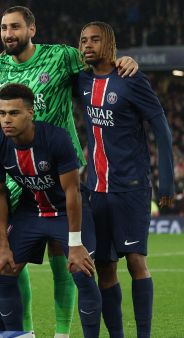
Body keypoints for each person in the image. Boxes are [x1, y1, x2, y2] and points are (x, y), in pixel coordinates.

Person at [0, 6, 138, 336]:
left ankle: (62, 332)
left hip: (59, 166)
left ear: (32, 30)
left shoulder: (61, 56)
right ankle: (23, 331)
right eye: (3, 28)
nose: (8, 34)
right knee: (9, 256)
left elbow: (98, 62)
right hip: (18, 174)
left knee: (63, 257)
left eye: (14, 27)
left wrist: (124, 61)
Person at [78, 21, 175, 338]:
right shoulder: (80, 80)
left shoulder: (132, 80)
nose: (87, 45)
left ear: (110, 44)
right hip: (96, 190)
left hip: (131, 188)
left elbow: (161, 129)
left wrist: (166, 186)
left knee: (136, 262)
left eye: (94, 40)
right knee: (105, 268)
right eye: (83, 41)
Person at [0, 83, 101, 338]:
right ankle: (17, 336)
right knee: (4, 271)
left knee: (81, 270)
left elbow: (73, 191)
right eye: (2, 113)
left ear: (31, 113)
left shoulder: (56, 138)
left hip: (65, 210)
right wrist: (2, 245)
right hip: (31, 212)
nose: (6, 119)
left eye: (14, 113)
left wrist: (74, 243)